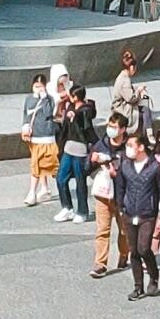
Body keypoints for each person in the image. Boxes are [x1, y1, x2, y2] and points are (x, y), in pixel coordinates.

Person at [114, 134, 160, 301]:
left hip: (148, 214)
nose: (128, 149)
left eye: (131, 145)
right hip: (129, 212)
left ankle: (153, 277)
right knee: (134, 250)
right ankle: (138, 286)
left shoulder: (155, 167)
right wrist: (121, 208)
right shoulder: (125, 166)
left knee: (144, 248)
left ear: (141, 147)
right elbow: (120, 187)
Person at [88, 114, 131, 278]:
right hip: (103, 193)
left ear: (123, 129)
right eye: (109, 126)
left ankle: (124, 254)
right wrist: (93, 160)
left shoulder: (130, 146)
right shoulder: (101, 144)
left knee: (124, 231)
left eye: (115, 127)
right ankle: (100, 263)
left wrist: (116, 171)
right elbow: (88, 166)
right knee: (102, 230)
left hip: (123, 195)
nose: (111, 130)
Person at [53, 84, 95, 223]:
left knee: (80, 181)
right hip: (68, 148)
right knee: (60, 178)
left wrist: (75, 115)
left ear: (76, 97)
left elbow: (86, 119)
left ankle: (82, 211)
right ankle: (67, 207)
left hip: (80, 150)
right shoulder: (70, 107)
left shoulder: (86, 110)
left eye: (71, 96)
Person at [22, 73, 58, 207]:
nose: (37, 88)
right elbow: (25, 114)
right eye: (36, 86)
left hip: (46, 135)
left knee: (36, 164)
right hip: (34, 136)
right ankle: (44, 188)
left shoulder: (49, 99)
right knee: (38, 163)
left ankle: (32, 192)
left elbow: (49, 113)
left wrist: (44, 98)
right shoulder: (28, 99)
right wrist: (25, 127)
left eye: (40, 86)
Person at [110, 51, 149, 134]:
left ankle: (148, 132)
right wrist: (138, 90)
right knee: (145, 109)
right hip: (122, 108)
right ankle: (147, 132)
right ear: (132, 67)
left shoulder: (123, 76)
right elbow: (131, 98)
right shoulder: (125, 80)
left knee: (145, 105)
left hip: (121, 104)